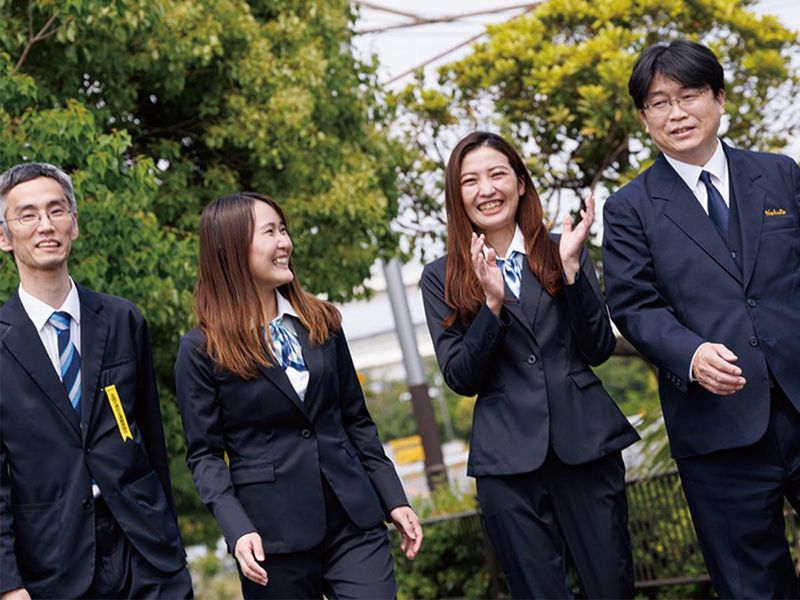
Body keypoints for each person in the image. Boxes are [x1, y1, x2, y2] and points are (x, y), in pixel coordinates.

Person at [602, 39, 800, 598]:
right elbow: (634, 305)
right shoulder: (629, 209)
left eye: (689, 95)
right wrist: (689, 354)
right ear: (644, 118)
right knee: (753, 587)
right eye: (659, 103)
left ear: (718, 98)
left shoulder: (780, 175)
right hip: (718, 432)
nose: (677, 113)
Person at [420, 131, 639, 598]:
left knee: (611, 585)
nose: (486, 189)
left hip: (586, 442)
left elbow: (599, 348)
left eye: (498, 174)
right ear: (457, 195)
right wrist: (491, 306)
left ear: (520, 183)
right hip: (507, 463)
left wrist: (574, 274)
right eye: (471, 180)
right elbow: (461, 376)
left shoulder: (564, 248)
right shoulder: (441, 276)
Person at [175, 191, 422, 599]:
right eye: (270, 232)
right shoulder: (202, 350)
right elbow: (205, 456)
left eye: (283, 230)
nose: (284, 242)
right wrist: (237, 528)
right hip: (271, 537)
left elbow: (356, 420)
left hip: (353, 519)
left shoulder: (321, 321)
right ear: (231, 248)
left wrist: (393, 498)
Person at [0, 162, 193, 599]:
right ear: (5, 237)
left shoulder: (122, 319)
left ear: (74, 223)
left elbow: (152, 441)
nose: (45, 225)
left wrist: (170, 542)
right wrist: (8, 585)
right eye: (27, 215)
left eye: (57, 210)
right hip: (53, 565)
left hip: (146, 550)